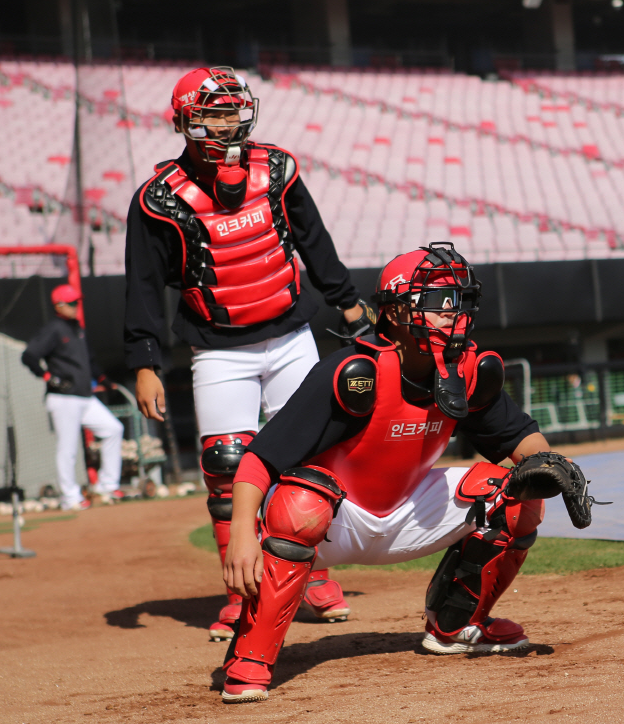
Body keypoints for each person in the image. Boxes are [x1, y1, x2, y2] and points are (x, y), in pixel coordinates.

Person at [217, 243, 596, 703]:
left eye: (461, 303)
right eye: (441, 303)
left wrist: (550, 466)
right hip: (334, 522)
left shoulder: (470, 371)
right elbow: (261, 457)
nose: (455, 316)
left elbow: (523, 441)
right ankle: (250, 658)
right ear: (396, 312)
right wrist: (240, 533)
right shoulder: (354, 371)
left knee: (516, 492)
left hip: (407, 513)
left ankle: (456, 626)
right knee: (301, 502)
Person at [124, 66, 372, 642]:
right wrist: (143, 359)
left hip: (291, 335)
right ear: (185, 120)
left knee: (310, 457)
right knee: (227, 466)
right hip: (218, 349)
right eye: (213, 111)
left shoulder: (278, 169)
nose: (228, 120)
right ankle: (241, 591)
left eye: (234, 108)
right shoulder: (157, 200)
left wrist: (350, 305)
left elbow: (314, 239)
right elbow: (141, 283)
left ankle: (314, 577)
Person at [22, 284, 123, 511]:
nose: (76, 306)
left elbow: (90, 361)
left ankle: (107, 486)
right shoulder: (54, 329)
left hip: (84, 396)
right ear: (59, 305)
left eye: (77, 302)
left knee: (113, 429)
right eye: (72, 303)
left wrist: (104, 380)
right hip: (63, 398)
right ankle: (70, 497)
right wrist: (47, 376)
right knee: (68, 448)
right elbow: (29, 355)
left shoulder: (78, 328)